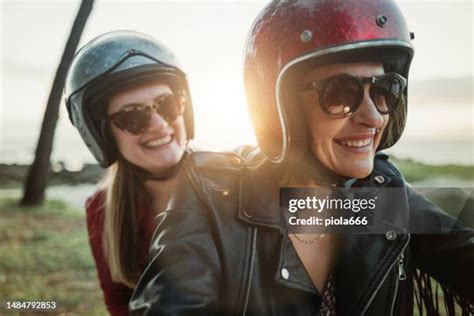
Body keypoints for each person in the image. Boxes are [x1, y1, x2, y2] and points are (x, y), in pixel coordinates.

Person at [130, 1, 474, 315]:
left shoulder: (375, 194)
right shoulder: (212, 197)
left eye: (385, 89)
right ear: (282, 109)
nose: (373, 117)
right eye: (341, 93)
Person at [64, 30, 194, 315]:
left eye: (168, 105)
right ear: (104, 136)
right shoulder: (103, 208)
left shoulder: (237, 178)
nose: (159, 124)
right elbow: (119, 301)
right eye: (133, 116)